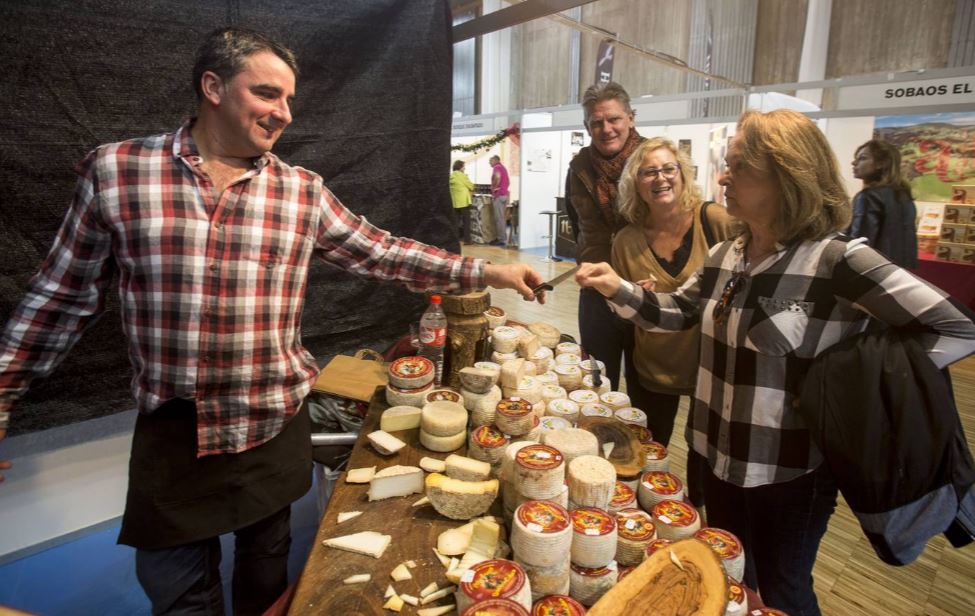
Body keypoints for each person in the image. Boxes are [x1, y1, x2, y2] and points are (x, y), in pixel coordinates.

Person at [0, 27, 543, 615]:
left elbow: (383, 252)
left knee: (268, 584)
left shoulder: (301, 191)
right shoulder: (118, 172)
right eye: (267, 94)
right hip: (176, 433)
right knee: (182, 598)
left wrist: (487, 273)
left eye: (288, 99)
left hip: (274, 424)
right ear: (212, 86)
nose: (283, 113)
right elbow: (59, 298)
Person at [576, 108, 975, 615]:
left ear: (787, 174)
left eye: (739, 165)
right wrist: (617, 287)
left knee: (784, 589)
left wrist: (871, 384)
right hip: (715, 457)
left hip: (790, 472)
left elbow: (956, 326)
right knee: (735, 578)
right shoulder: (727, 256)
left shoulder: (838, 262)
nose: (723, 175)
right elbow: (676, 313)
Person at [612, 136, 734, 449]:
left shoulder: (715, 221)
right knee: (650, 450)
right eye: (648, 172)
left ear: (682, 173)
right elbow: (624, 315)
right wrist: (633, 298)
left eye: (669, 169)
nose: (661, 178)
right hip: (654, 366)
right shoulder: (626, 241)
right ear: (635, 183)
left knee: (704, 458)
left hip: (710, 366)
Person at [565, 81, 651, 410]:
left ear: (630, 117)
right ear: (587, 126)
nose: (606, 128)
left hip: (645, 286)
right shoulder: (579, 167)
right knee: (596, 378)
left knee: (647, 385)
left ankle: (645, 453)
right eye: (596, 122)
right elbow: (576, 222)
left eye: (613, 119)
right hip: (595, 290)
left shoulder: (652, 160)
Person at [847, 139, 918, 268]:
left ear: (881, 164)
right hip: (900, 272)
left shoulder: (868, 197)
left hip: (873, 272)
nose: (854, 163)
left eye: (862, 158)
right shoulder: (904, 195)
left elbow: (860, 243)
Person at [449, 159, 474, 244]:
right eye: (464, 167)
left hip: (455, 203)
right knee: (466, 222)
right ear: (460, 167)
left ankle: (454, 239)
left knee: (455, 222)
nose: (464, 169)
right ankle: (467, 240)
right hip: (463, 202)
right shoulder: (462, 176)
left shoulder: (451, 176)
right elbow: (471, 186)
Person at [489, 154, 510, 246]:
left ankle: (501, 239)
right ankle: (503, 237)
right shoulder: (503, 168)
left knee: (499, 219)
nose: (489, 163)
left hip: (499, 195)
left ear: (495, 160)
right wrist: (503, 188)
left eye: (490, 161)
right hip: (504, 195)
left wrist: (493, 187)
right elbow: (508, 182)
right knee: (502, 218)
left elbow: (497, 177)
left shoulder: (496, 167)